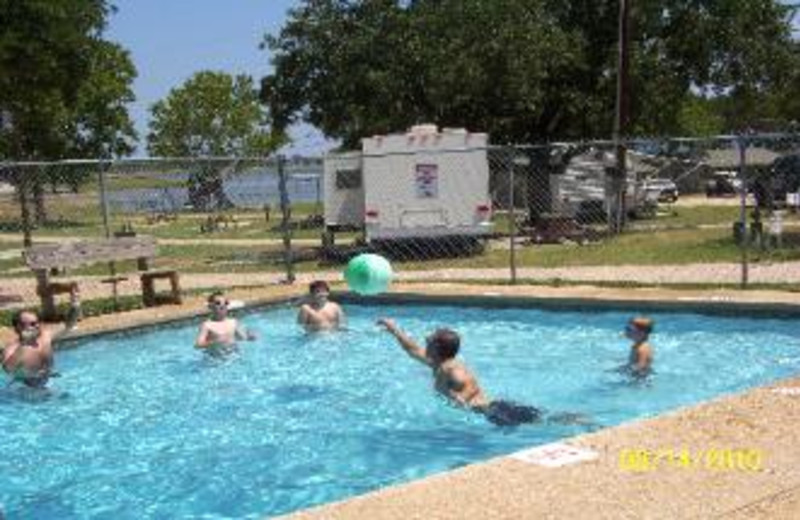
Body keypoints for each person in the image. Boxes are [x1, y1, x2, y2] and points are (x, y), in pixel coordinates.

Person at [377, 318, 547, 427]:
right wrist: (395, 330)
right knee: (543, 420)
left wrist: (463, 397)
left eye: (430, 338)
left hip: (494, 411)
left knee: (545, 423)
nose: (425, 339)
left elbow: (466, 381)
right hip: (493, 409)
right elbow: (412, 349)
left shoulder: (451, 367)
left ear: (436, 347)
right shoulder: (438, 363)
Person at [2, 308, 76, 388]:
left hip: (50, 382)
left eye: (35, 323)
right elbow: (9, 370)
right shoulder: (11, 349)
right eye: (24, 324)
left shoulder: (46, 336)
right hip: (25, 389)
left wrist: (74, 307)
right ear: (17, 327)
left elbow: (69, 326)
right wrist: (25, 344)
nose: (31, 327)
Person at [195, 291, 255, 355]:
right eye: (218, 303)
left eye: (225, 303)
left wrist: (250, 337)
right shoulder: (207, 325)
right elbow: (198, 345)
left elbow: (242, 338)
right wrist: (214, 342)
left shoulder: (233, 322)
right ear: (211, 306)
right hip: (215, 361)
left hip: (234, 358)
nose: (222, 305)